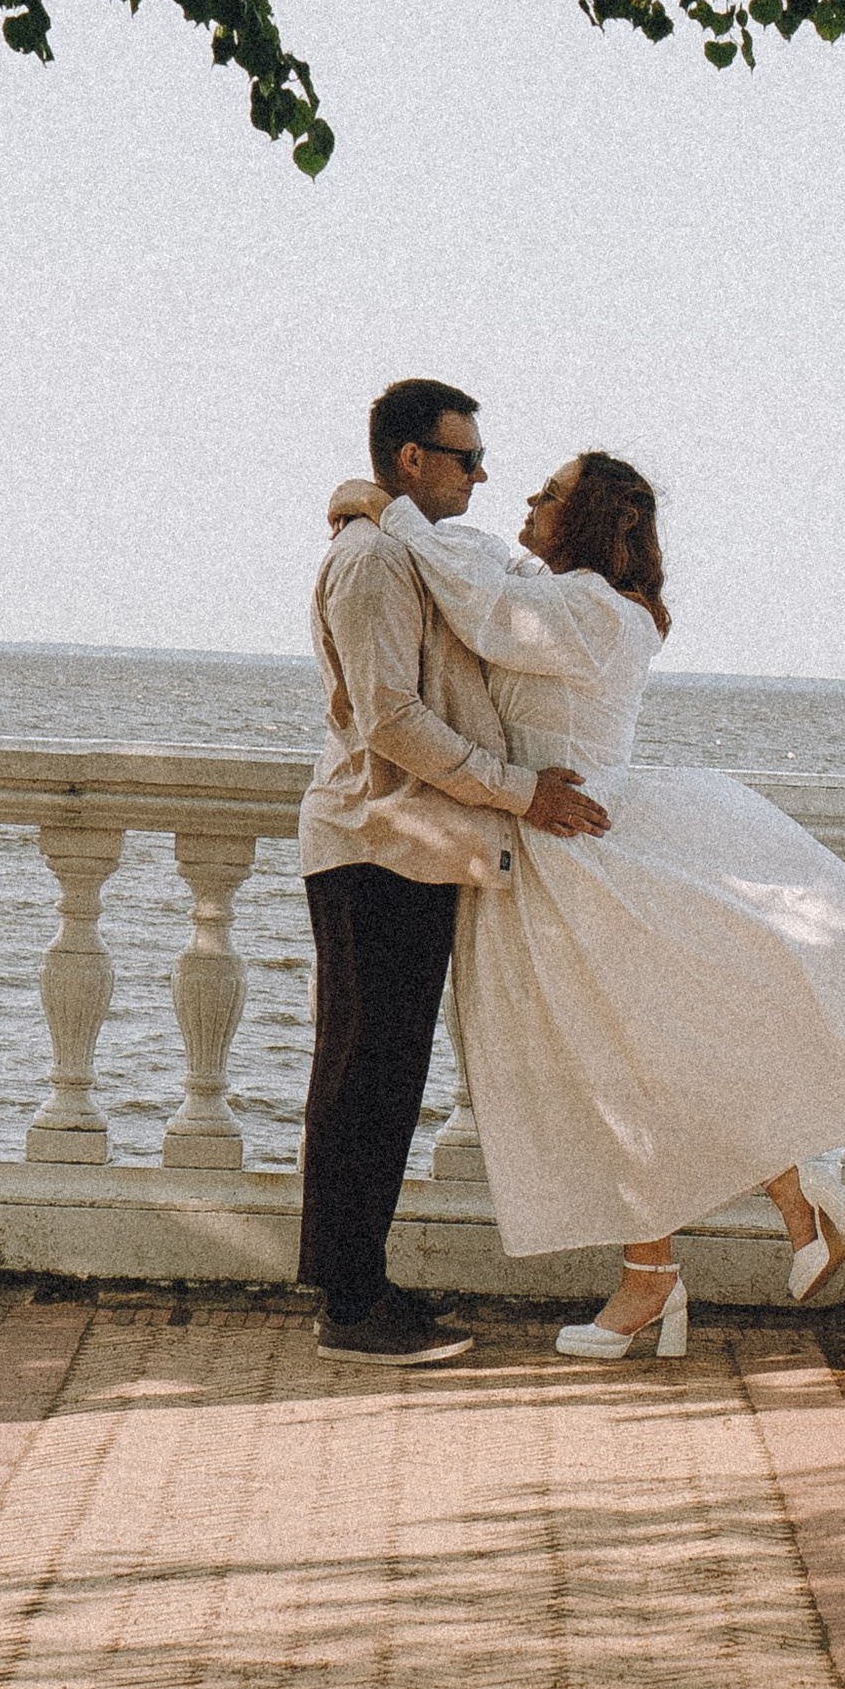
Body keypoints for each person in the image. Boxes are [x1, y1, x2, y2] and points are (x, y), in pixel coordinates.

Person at [325, 450, 845, 1356]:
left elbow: (480, 606)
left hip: (585, 850)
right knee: (629, 1070)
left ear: (586, 520)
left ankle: (688, 1261)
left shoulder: (592, 611)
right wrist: (383, 508)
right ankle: (765, 1219)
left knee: (632, 1068)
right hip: (559, 849)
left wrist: (385, 509)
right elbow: (478, 571)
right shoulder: (566, 596)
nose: (524, 496)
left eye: (548, 494)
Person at [298, 378, 611, 1361]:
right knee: (363, 1076)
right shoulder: (376, 562)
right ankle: (350, 1307)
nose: (482, 474)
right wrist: (522, 792)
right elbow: (391, 718)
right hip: (375, 840)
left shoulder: (406, 552)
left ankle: (361, 1286)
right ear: (411, 461)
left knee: (385, 1076)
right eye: (466, 458)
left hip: (410, 843)